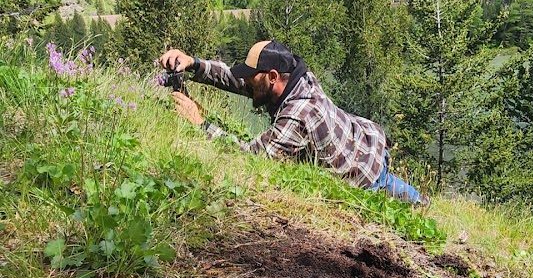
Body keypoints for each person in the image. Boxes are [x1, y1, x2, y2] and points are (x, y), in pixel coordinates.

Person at [159, 39, 429, 206]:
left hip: (363, 170)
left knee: (395, 195)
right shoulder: (296, 75)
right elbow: (237, 79)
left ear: (272, 76)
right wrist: (194, 63)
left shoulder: (297, 114)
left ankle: (419, 204)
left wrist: (201, 124)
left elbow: (250, 156)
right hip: (364, 138)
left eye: (252, 76)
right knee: (394, 184)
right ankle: (419, 201)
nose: (246, 81)